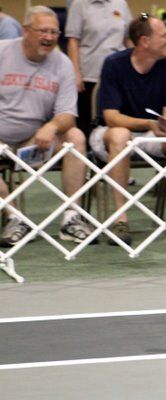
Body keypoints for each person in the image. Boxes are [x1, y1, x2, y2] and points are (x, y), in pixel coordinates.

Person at [90, 14, 166, 245]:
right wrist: (147, 123)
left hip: (152, 134)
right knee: (122, 136)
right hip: (110, 133)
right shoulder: (114, 64)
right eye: (163, 36)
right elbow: (111, 117)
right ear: (144, 41)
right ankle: (119, 219)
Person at [0, 6, 96, 246]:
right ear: (26, 31)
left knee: (74, 136)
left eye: (54, 32)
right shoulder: (2, 52)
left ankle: (71, 218)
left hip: (32, 142)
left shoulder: (62, 63)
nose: (50, 37)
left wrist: (52, 126)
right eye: (43, 31)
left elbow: (67, 114)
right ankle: (14, 218)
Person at [65, 0, 132, 138]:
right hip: (90, 72)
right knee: (88, 121)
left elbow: (128, 37)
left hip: (119, 74)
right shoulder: (79, 5)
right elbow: (73, 41)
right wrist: (75, 72)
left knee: (117, 119)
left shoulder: (121, 3)